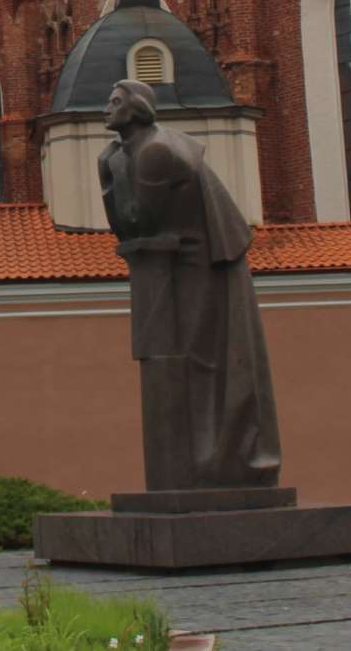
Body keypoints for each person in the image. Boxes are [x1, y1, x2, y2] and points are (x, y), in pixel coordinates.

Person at [97, 78, 282, 491]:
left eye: (113, 102)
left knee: (203, 358)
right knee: (190, 360)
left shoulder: (156, 151)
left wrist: (109, 175)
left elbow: (140, 221)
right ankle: (200, 464)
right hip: (171, 262)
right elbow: (127, 228)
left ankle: (218, 462)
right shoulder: (125, 153)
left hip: (203, 262)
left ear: (137, 109)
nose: (104, 109)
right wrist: (109, 171)